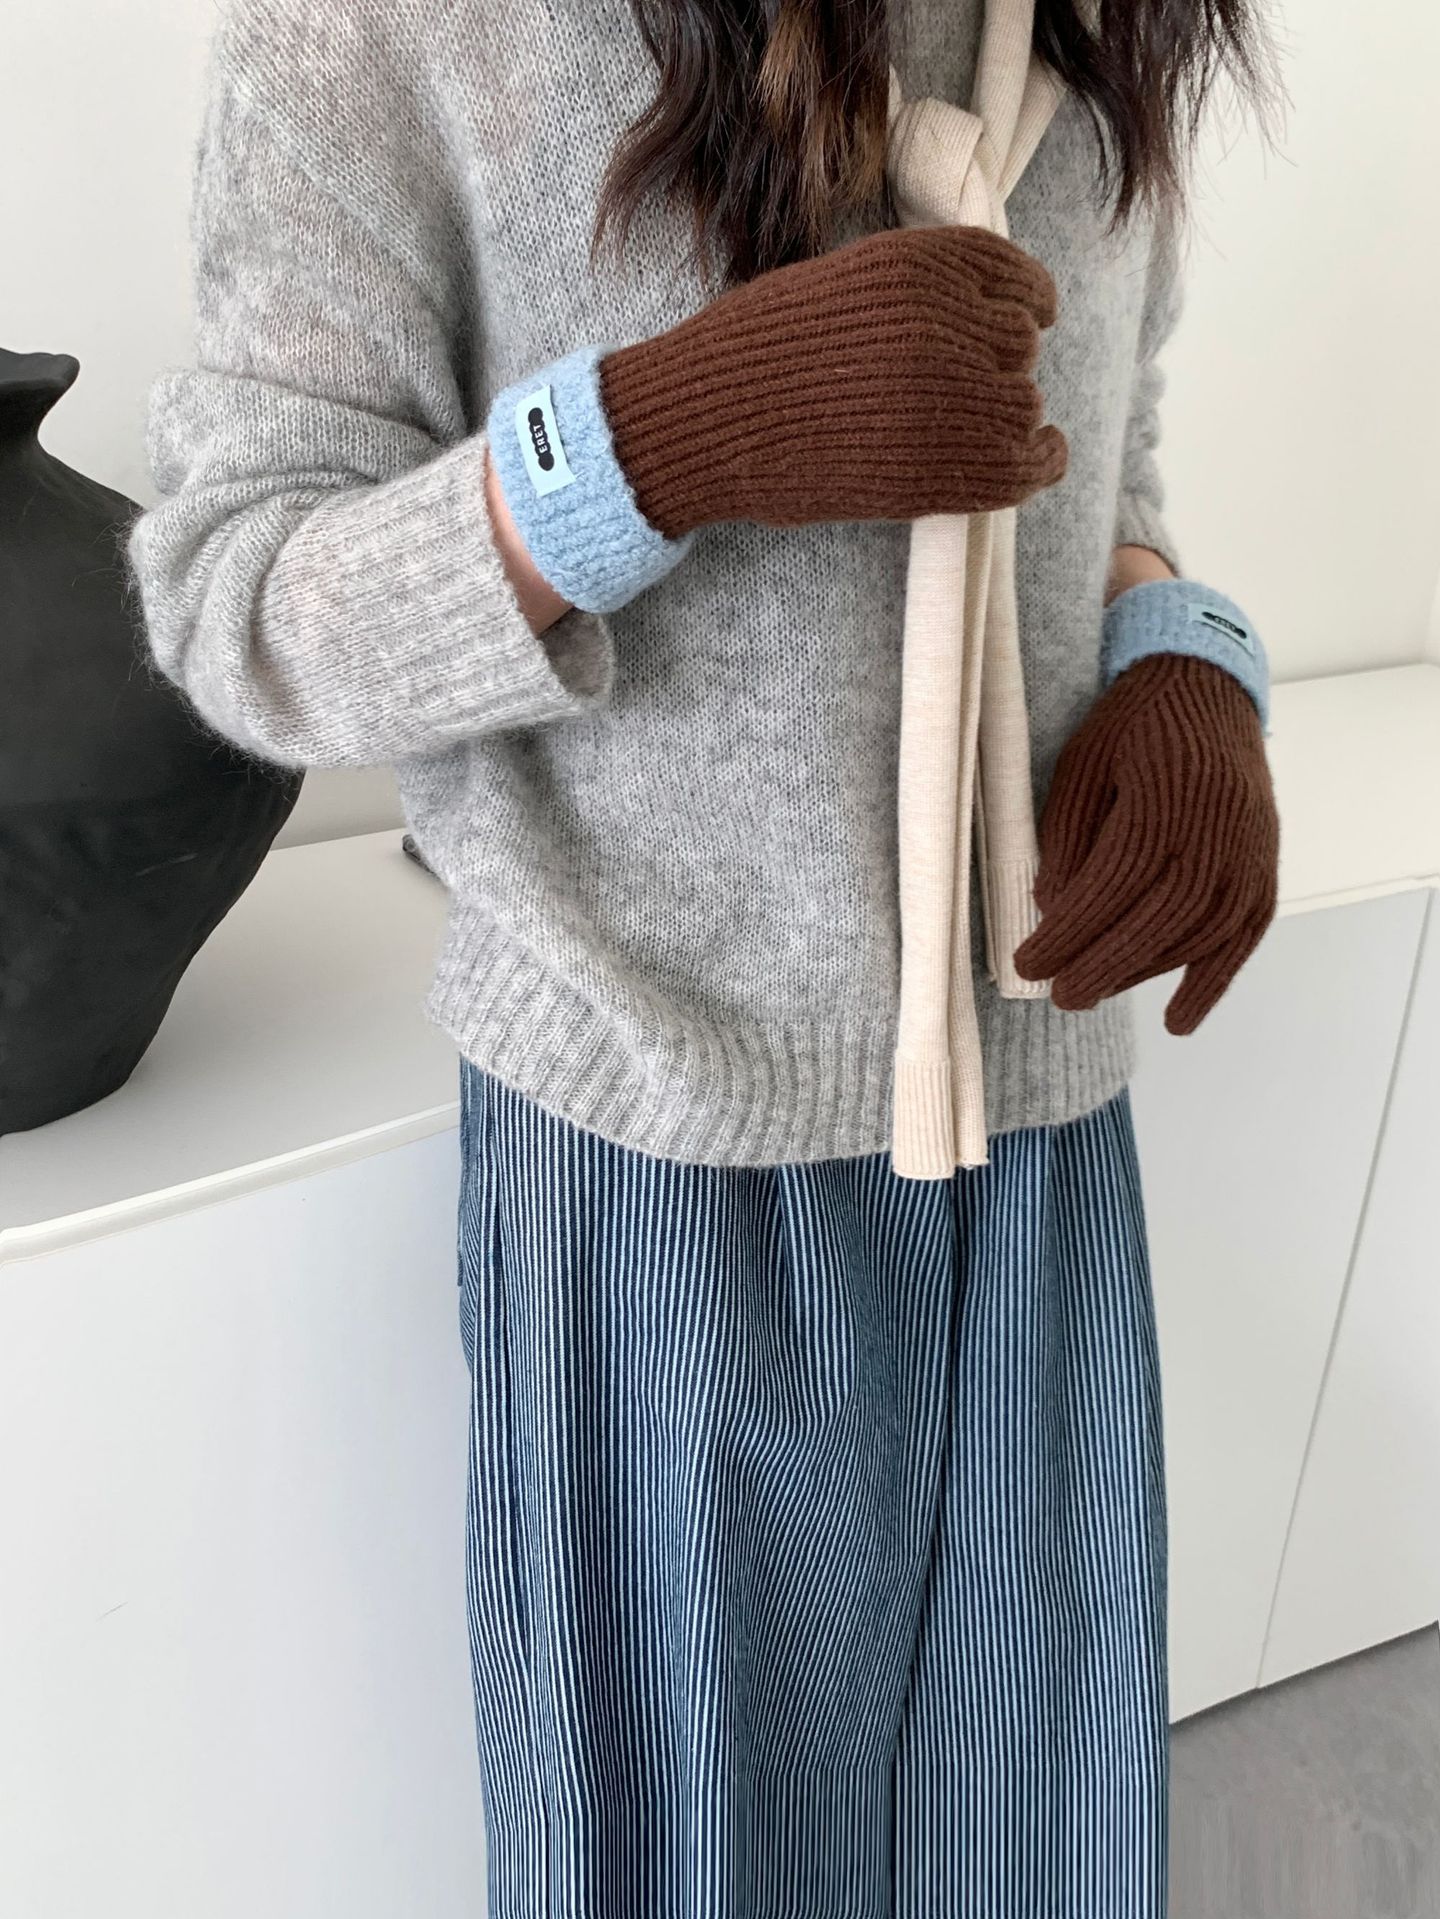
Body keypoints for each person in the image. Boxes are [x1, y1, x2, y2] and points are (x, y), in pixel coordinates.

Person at [126, 0, 1280, 1910]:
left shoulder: (1103, 24)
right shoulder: (393, 28)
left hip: (1043, 1116)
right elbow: (237, 604)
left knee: (1034, 1836)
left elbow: (1109, 464)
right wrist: (647, 446)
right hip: (658, 1142)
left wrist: (1187, 658)